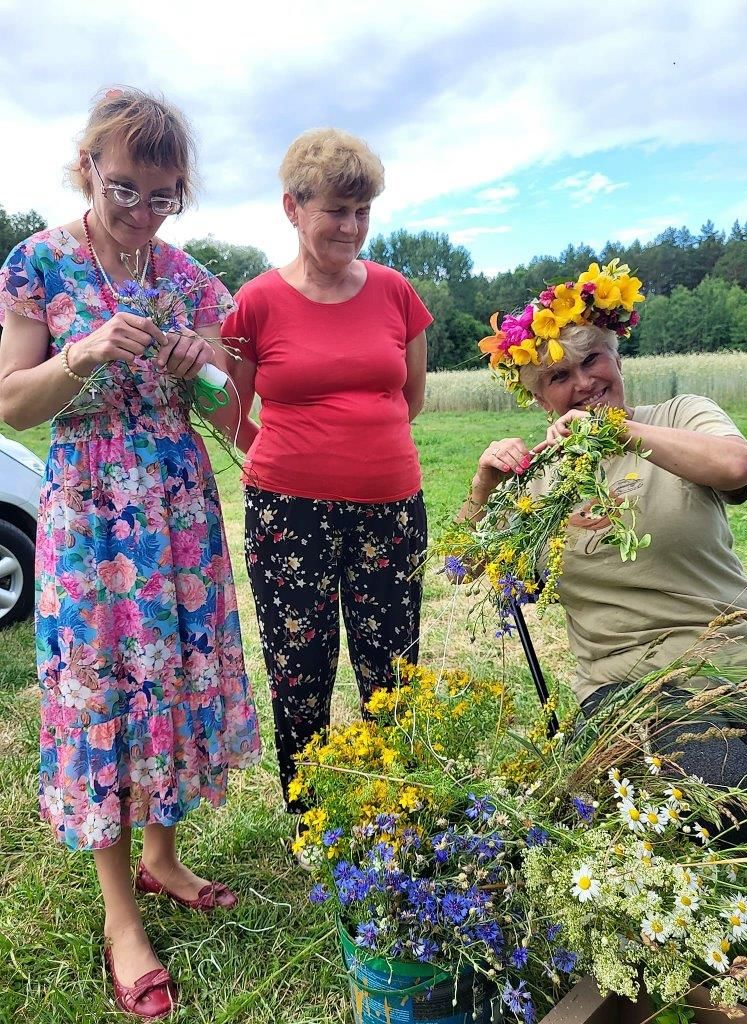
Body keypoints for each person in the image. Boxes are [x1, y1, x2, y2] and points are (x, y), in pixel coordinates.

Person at [0, 88, 260, 1019]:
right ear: (87, 170)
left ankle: (163, 859)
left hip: (179, 509)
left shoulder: (190, 279)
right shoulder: (38, 263)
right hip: (92, 514)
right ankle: (121, 918)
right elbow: (10, 402)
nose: (144, 213)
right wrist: (86, 352)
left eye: (164, 196)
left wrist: (206, 368)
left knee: (173, 684)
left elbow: (237, 418)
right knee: (104, 692)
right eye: (125, 191)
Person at [462, 262, 747, 826]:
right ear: (540, 398)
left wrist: (617, 429)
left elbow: (735, 466)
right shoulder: (540, 481)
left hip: (745, 664)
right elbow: (468, 565)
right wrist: (485, 486)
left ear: (618, 358)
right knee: (739, 799)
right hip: (631, 690)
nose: (583, 383)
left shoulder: (680, 416)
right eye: (559, 376)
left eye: (592, 360)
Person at [221, 128, 431, 816]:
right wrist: (280, 456)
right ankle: (314, 820)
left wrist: (361, 446)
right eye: (336, 210)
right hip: (289, 514)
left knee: (393, 669)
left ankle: (398, 814)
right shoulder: (256, 302)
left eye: (362, 211)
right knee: (299, 670)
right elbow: (231, 409)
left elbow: (410, 398)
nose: (351, 226)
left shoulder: (397, 292)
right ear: (292, 207)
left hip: (391, 508)